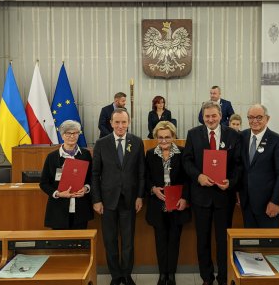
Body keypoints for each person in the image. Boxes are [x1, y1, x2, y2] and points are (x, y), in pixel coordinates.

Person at [183, 101, 242, 285]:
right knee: (203, 240)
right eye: (207, 116)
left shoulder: (233, 135)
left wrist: (231, 182)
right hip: (201, 196)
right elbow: (187, 161)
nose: (210, 119)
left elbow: (239, 164)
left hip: (224, 197)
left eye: (213, 116)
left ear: (220, 115)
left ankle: (224, 278)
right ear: (203, 116)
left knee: (223, 241)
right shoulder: (193, 134)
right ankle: (207, 278)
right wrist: (198, 176)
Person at [92, 108, 145, 285]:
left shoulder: (137, 142)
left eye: (123, 122)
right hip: (107, 201)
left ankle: (126, 274)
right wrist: (97, 199)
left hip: (130, 200)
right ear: (111, 123)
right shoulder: (101, 143)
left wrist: (139, 196)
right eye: (117, 122)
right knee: (110, 240)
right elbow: (95, 174)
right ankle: (115, 275)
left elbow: (141, 173)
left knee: (128, 241)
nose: (120, 126)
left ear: (128, 122)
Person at [145, 121, 191, 285]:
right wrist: (153, 189)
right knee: (160, 241)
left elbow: (188, 178)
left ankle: (171, 274)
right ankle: (162, 273)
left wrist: (184, 198)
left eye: (167, 137)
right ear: (156, 137)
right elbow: (146, 177)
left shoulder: (183, 153)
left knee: (174, 240)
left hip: (178, 204)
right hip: (157, 205)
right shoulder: (150, 154)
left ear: (173, 137)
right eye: (160, 137)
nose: (164, 141)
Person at [238, 104, 279, 228]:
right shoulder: (241, 137)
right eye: (251, 117)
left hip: (268, 204)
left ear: (267, 118)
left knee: (269, 244)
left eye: (259, 117)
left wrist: (276, 202)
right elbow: (239, 167)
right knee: (250, 243)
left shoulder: (278, 141)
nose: (254, 121)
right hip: (246, 203)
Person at [40, 120, 93, 230]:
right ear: (62, 135)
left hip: (81, 209)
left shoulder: (85, 155)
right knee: (61, 244)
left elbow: (92, 178)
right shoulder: (52, 157)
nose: (72, 136)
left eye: (75, 133)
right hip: (58, 209)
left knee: (80, 243)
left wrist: (86, 188)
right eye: (68, 133)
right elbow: (44, 183)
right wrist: (58, 194)